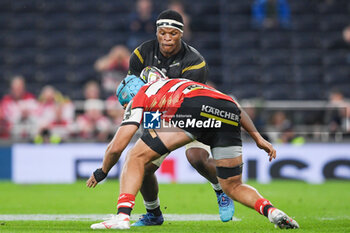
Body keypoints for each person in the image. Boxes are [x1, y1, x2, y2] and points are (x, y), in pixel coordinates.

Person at [87, 74, 299, 230]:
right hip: (227, 110)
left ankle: (122, 216)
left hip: (192, 108)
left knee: (135, 156)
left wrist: (102, 171)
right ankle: (272, 211)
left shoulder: (141, 96)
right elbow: (233, 105)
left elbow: (117, 145)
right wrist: (258, 138)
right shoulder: (176, 84)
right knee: (233, 185)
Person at [127, 9, 234, 225]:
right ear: (156, 32)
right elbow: (133, 85)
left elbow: (187, 102)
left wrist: (155, 89)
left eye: (173, 34)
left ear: (181, 34)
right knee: (143, 165)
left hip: (191, 112)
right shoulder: (140, 54)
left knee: (197, 158)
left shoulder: (195, 62)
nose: (167, 38)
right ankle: (154, 214)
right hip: (158, 114)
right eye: (163, 33)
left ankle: (221, 190)